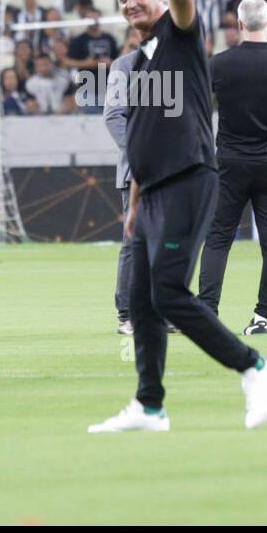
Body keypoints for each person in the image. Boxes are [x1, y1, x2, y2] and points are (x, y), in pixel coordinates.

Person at [88, 0, 267, 433]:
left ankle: (257, 366)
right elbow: (145, 136)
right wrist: (133, 200)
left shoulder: (180, 32)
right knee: (143, 299)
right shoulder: (143, 62)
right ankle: (149, 405)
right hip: (152, 191)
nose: (129, 4)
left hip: (190, 182)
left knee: (171, 293)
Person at [197, 0, 267, 335]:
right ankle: (263, 316)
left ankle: (208, 311)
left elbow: (207, 108)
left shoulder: (217, 64)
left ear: (239, 24)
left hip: (228, 164)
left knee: (217, 238)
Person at [103, 42, 140, 335]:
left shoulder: (179, 66)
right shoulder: (123, 66)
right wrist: (143, 153)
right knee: (134, 241)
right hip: (138, 171)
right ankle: (127, 313)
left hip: (175, 171)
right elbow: (113, 116)